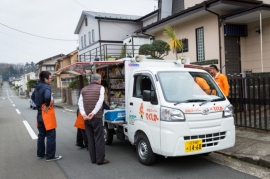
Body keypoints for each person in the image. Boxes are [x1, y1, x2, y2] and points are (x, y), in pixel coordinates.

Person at [78, 73, 110, 165]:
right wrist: (93, 113)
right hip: (96, 117)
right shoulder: (101, 88)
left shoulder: (83, 89)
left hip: (86, 118)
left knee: (90, 138)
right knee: (99, 138)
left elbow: (80, 102)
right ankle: (100, 160)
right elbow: (100, 101)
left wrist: (84, 114)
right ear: (99, 80)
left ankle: (93, 159)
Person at [31, 71, 62, 161]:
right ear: (45, 79)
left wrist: (39, 105)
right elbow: (47, 97)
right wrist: (47, 105)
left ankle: (40, 154)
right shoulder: (46, 87)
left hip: (39, 114)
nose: (51, 79)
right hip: (47, 114)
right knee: (51, 135)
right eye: (50, 78)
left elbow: (33, 97)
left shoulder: (37, 87)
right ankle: (50, 156)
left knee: (41, 135)